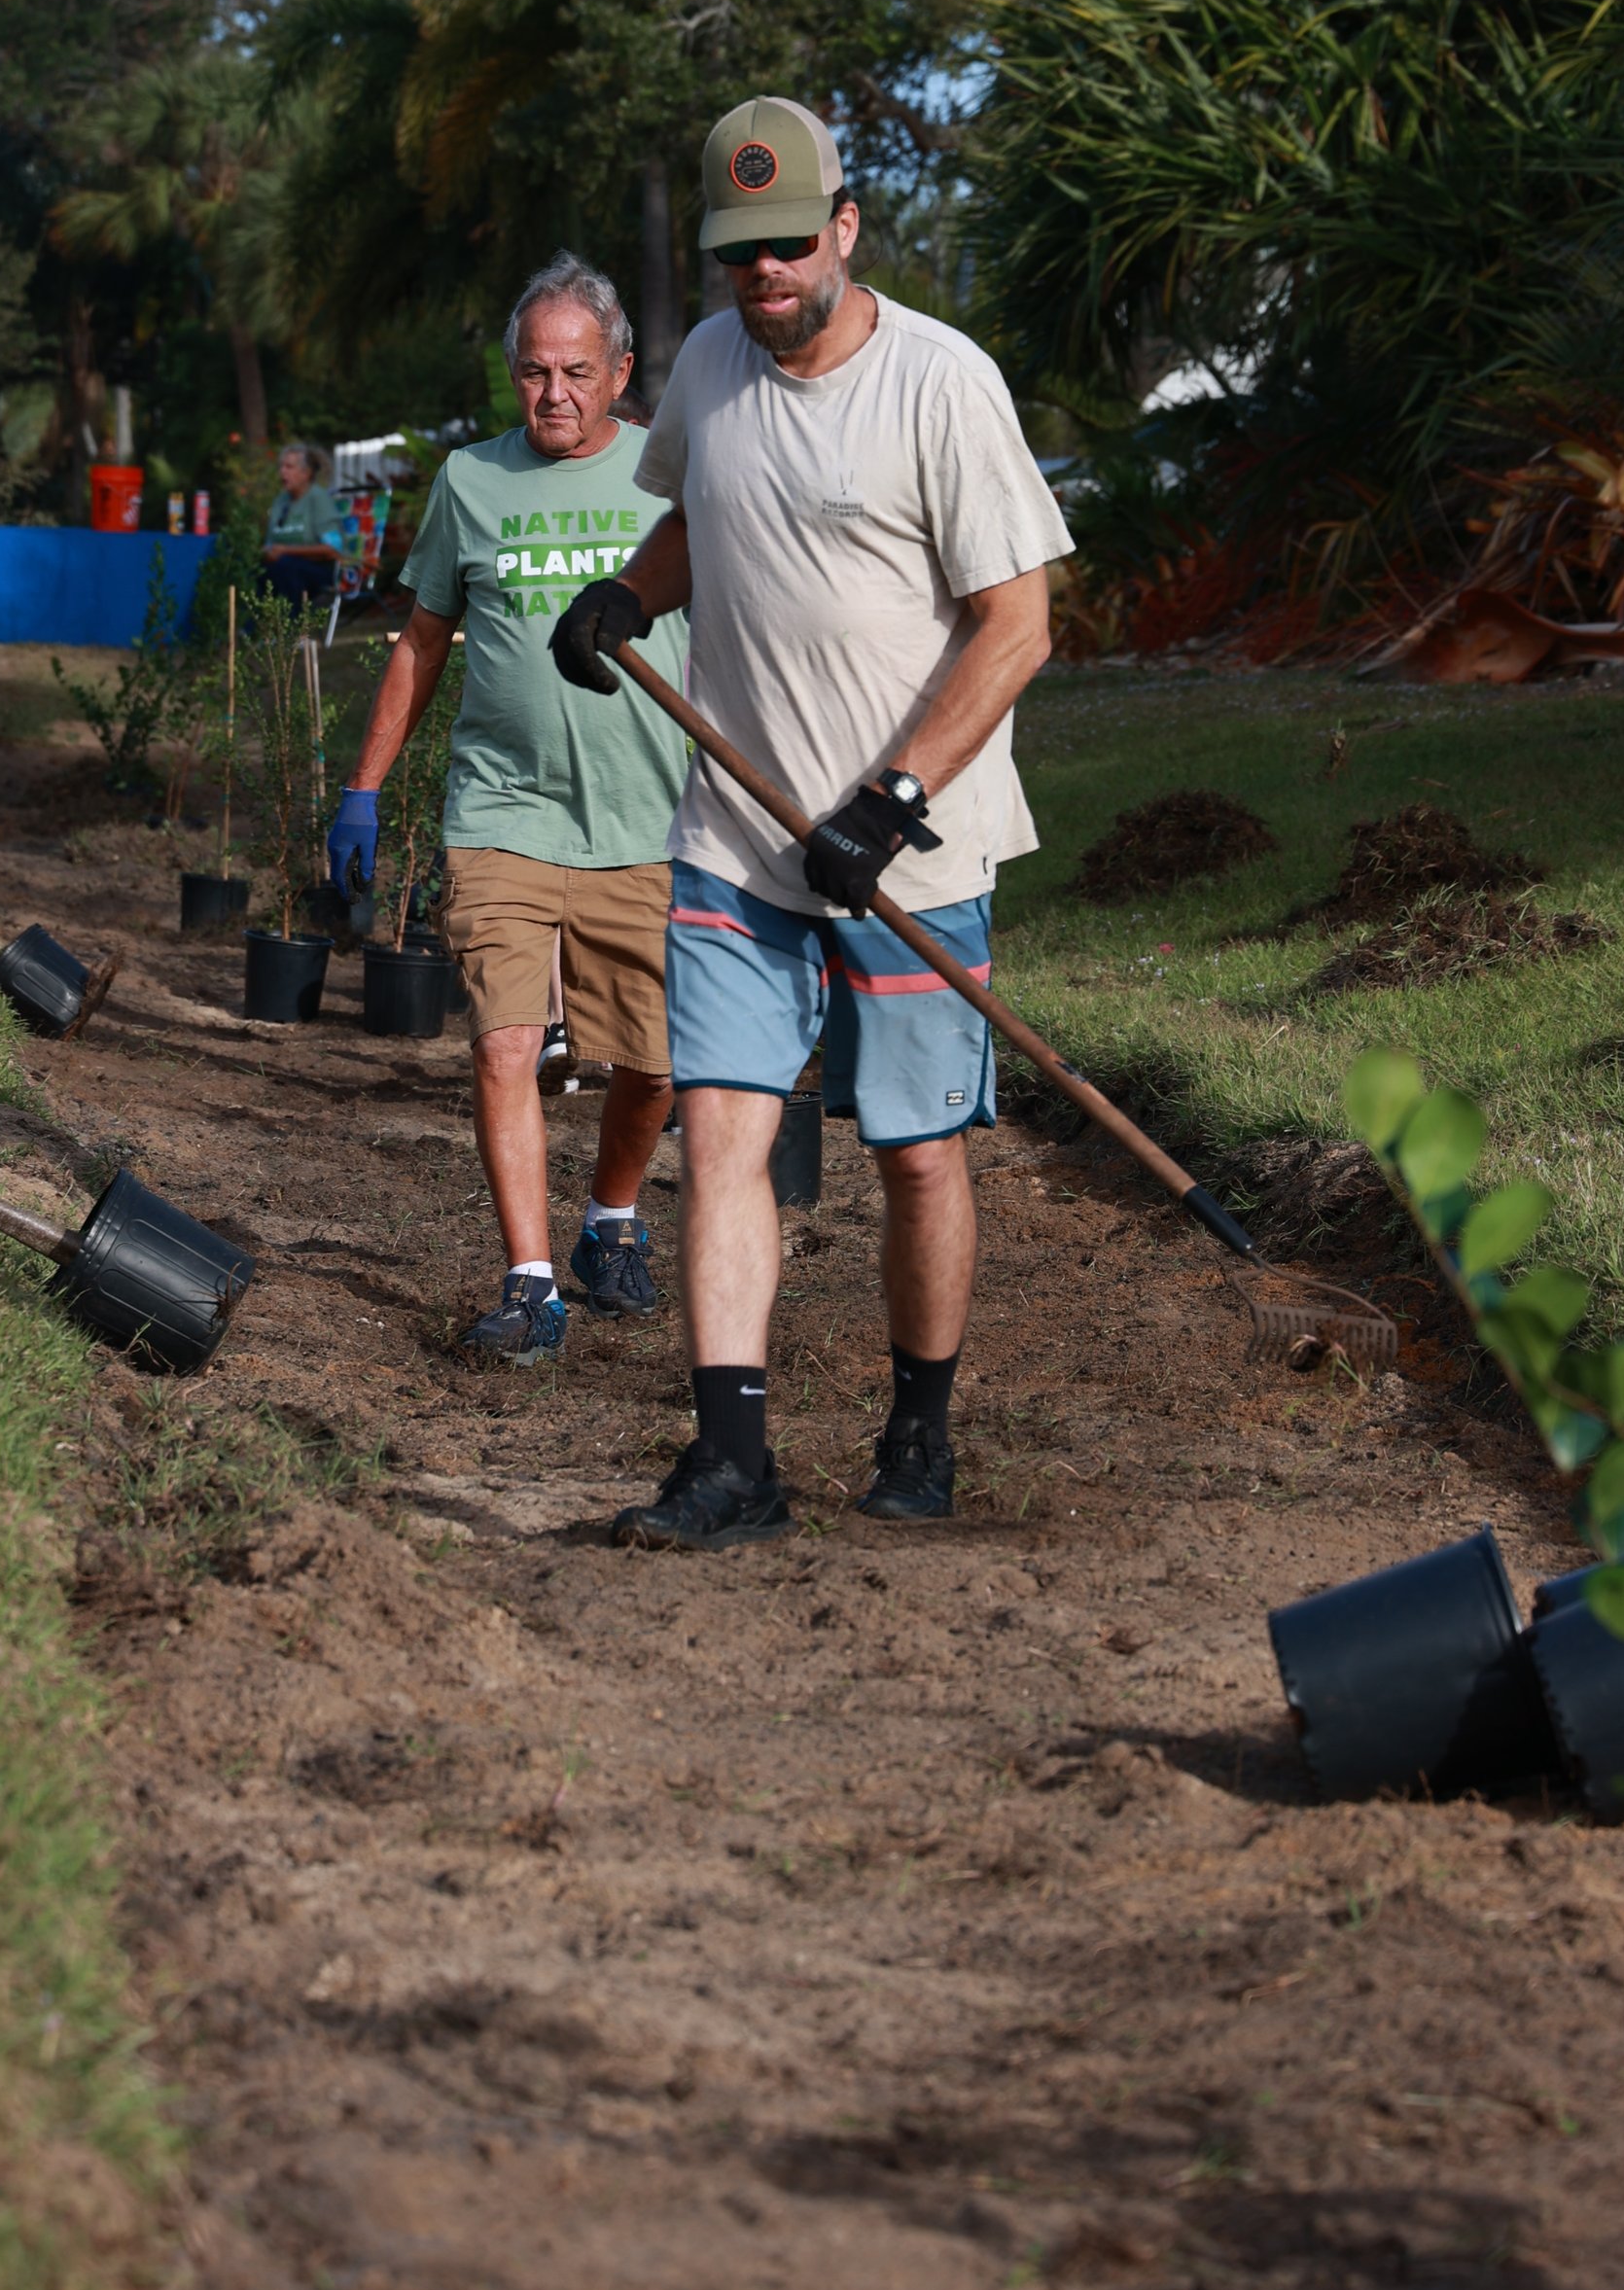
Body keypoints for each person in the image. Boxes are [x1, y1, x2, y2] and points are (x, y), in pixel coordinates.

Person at [554, 95, 1072, 1549]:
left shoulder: (942, 385)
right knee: (721, 1132)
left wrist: (893, 803)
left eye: (788, 247)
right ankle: (733, 1463)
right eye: (739, 255)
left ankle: (921, 1422)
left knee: (915, 1152)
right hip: (737, 838)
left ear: (845, 229)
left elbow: (1018, 626)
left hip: (913, 854)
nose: (763, 277)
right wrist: (633, 596)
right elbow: (696, 521)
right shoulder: (713, 367)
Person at [328, 255, 693, 1357]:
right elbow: (423, 642)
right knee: (502, 1044)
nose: (554, 396)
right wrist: (362, 790)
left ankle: (610, 1221)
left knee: (657, 1065)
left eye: (577, 372)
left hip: (649, 818)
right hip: (503, 812)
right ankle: (530, 1285)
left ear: (620, 370)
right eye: (533, 374)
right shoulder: (467, 482)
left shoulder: (669, 479)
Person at [263, 440, 352, 609]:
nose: (282, 472)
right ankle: (250, 629)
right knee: (258, 569)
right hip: (283, 567)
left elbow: (333, 550)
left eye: (289, 467)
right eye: (281, 466)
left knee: (285, 567)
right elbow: (270, 545)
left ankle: (293, 628)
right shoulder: (280, 501)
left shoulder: (318, 499)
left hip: (324, 571)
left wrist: (285, 551)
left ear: (306, 473)